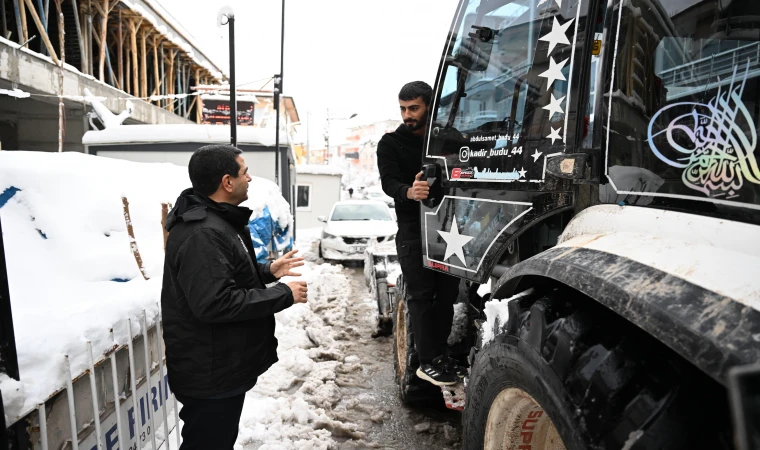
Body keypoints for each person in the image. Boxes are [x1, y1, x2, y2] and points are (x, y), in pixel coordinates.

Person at [161, 144, 308, 450]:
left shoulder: (217, 220)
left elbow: (224, 274)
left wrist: (269, 271)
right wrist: (283, 295)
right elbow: (215, 302)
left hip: (218, 366)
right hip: (210, 372)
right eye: (244, 172)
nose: (250, 179)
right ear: (227, 182)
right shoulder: (202, 232)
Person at [377, 81, 464, 387]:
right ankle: (427, 360)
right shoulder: (390, 143)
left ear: (430, 106)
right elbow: (388, 183)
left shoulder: (451, 141)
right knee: (421, 295)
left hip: (450, 230)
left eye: (414, 108)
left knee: (447, 296)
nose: (407, 115)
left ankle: (439, 355)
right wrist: (409, 191)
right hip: (414, 231)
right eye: (402, 108)